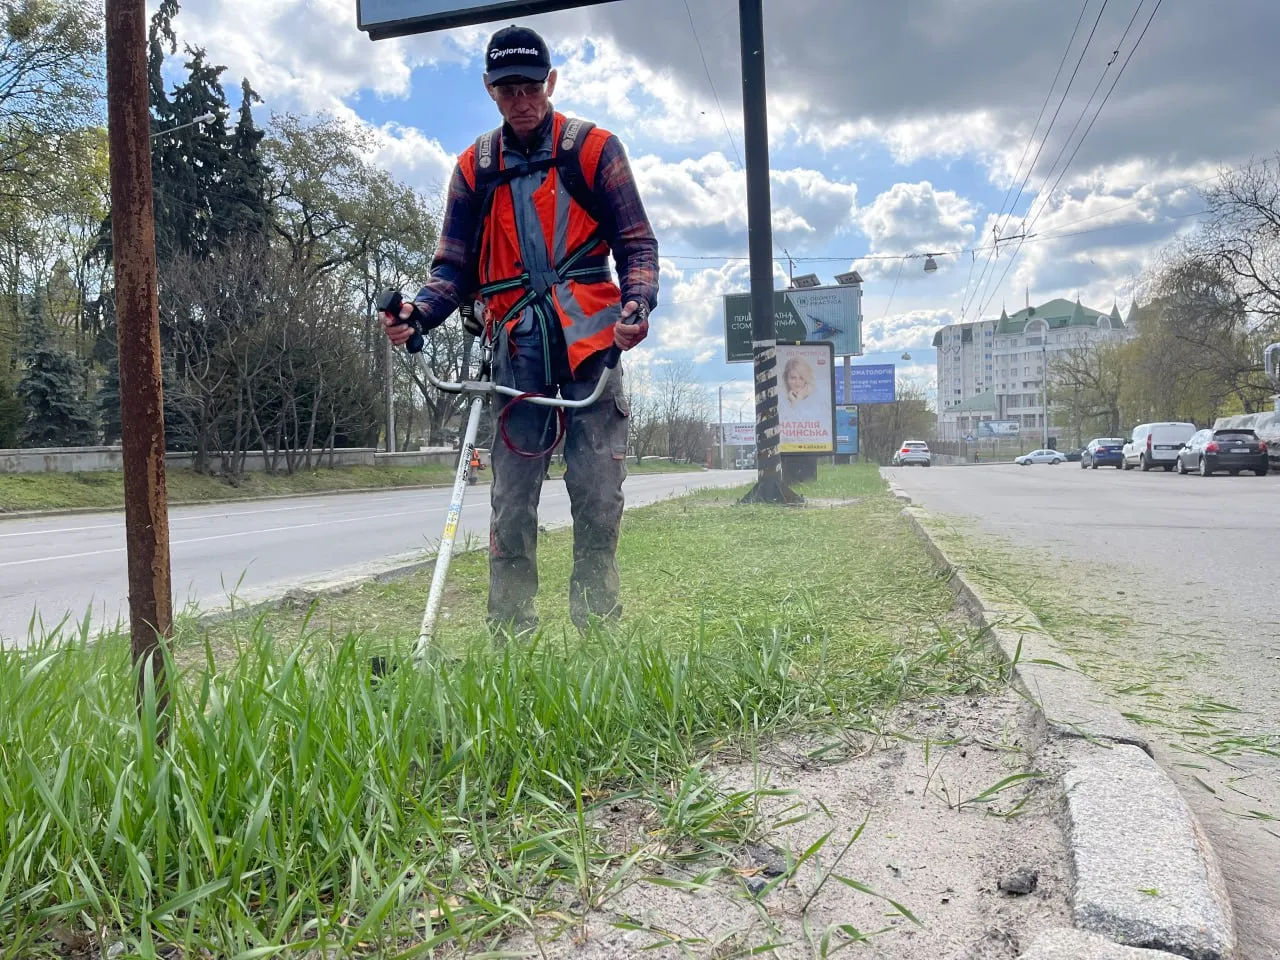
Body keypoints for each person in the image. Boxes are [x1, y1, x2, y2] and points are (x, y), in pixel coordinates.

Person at [383, 25, 658, 635]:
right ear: (489, 90)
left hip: (593, 349)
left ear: (551, 82)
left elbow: (637, 245)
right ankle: (511, 642)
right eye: (508, 90)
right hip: (516, 356)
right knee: (509, 504)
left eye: (531, 87)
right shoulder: (473, 170)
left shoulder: (595, 151)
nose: (522, 100)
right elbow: (451, 271)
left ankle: (598, 636)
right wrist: (418, 315)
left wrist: (636, 306)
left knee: (597, 496)